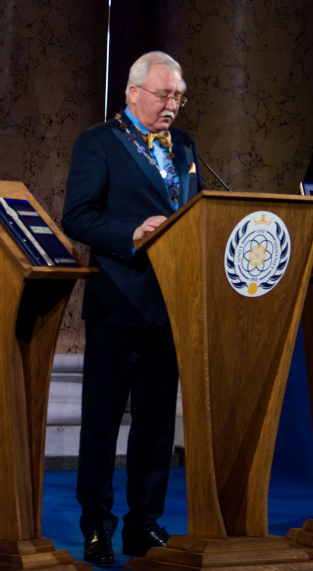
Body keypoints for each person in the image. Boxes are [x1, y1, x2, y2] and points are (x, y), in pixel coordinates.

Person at [61, 51, 203, 564]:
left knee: (156, 426)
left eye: (178, 97)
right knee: (101, 424)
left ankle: (144, 524)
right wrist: (130, 233)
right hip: (118, 304)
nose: (172, 105)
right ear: (133, 92)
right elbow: (77, 216)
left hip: (170, 306)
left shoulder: (185, 147)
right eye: (164, 94)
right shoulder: (98, 143)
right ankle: (97, 527)